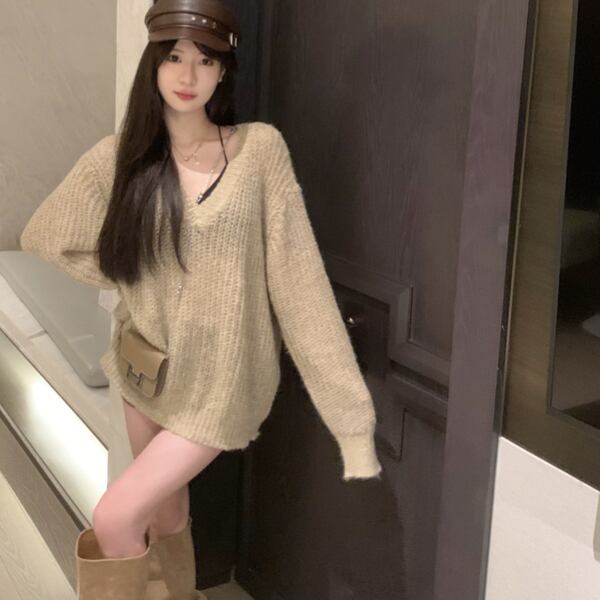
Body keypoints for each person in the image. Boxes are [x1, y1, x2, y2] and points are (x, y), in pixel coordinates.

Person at [19, 0, 382, 598]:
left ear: (223, 71)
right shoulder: (122, 157)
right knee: (166, 513)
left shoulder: (259, 151)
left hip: (221, 384)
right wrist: (131, 274)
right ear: (154, 65)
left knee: (115, 517)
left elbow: (300, 286)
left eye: (205, 60)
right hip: (147, 368)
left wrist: (351, 422)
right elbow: (46, 234)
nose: (187, 75)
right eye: (174, 57)